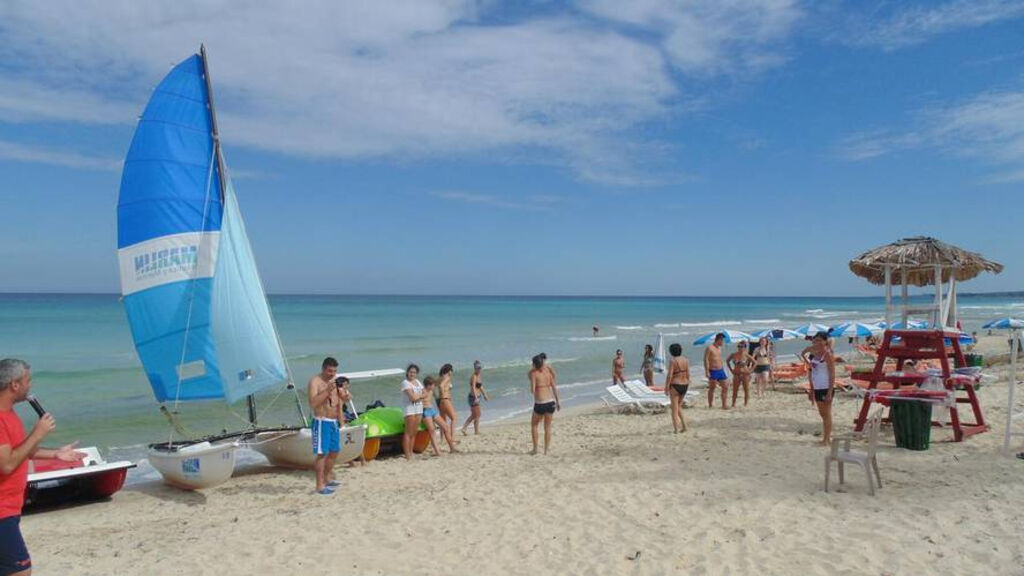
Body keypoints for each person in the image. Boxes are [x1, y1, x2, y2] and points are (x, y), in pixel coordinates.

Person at [0, 358, 86, 575]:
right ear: (15, 385)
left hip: (10, 506)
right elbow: (7, 465)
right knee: (21, 570)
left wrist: (56, 453)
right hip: (1, 510)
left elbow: (21, 451)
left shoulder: (9, 413)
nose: (31, 385)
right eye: (28, 380)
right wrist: (38, 432)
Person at [308, 357, 342, 494]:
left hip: (333, 422)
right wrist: (327, 391)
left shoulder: (334, 381)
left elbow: (337, 400)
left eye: (334, 371)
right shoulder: (315, 382)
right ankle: (319, 485)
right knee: (322, 454)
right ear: (323, 369)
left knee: (335, 451)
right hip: (321, 421)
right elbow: (313, 403)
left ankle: (327, 478)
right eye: (329, 371)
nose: (332, 374)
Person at [800, 332, 836, 446]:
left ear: (825, 341)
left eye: (820, 340)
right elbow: (808, 364)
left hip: (825, 387)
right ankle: (826, 438)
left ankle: (827, 439)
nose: (817, 343)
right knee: (822, 414)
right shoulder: (814, 354)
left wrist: (830, 392)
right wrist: (811, 389)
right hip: (817, 387)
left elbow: (832, 374)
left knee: (826, 414)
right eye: (815, 340)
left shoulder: (827, 355)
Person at [528, 354, 560, 455]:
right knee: (547, 427)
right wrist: (558, 402)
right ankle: (546, 450)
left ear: (534, 365)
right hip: (551, 402)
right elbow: (554, 387)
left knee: (534, 425)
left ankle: (535, 449)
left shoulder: (534, 374)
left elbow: (532, 390)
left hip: (540, 403)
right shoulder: (548, 373)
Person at [421, 377, 457, 455]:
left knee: (446, 427)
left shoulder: (432, 391)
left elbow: (436, 398)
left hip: (432, 410)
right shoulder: (422, 391)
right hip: (425, 411)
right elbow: (416, 402)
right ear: (428, 385)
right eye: (432, 385)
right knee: (432, 431)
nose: (434, 386)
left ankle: (452, 448)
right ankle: (437, 452)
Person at [400, 364, 427, 460]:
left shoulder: (418, 382)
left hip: (418, 408)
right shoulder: (405, 383)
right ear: (407, 372)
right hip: (409, 409)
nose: (412, 374)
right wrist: (420, 396)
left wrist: (418, 396)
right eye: (411, 372)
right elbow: (412, 397)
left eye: (414, 372)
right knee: (408, 432)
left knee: (414, 432)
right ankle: (407, 454)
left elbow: (425, 393)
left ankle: (411, 452)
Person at [664, 344, 690, 434]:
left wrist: (667, 386)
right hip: (685, 384)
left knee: (674, 408)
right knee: (679, 406)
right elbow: (688, 374)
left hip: (675, 384)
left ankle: (676, 429)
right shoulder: (686, 360)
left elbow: (670, 375)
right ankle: (685, 426)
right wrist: (688, 383)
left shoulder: (673, 361)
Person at [461, 361, 489, 435]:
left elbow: (480, 386)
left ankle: (468, 429)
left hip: (477, 397)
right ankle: (471, 430)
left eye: (480, 368)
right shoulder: (474, 376)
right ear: (474, 368)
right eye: (477, 368)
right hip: (473, 397)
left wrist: (484, 394)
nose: (479, 369)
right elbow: (473, 387)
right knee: (477, 414)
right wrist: (476, 398)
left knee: (475, 415)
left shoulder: (479, 375)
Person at [703, 333, 729, 409]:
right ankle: (710, 404)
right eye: (722, 341)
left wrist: (723, 367)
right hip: (713, 370)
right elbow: (706, 359)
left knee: (725, 387)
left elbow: (719, 359)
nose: (723, 342)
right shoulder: (710, 348)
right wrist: (707, 371)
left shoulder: (719, 348)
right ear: (718, 340)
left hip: (721, 370)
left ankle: (724, 405)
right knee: (712, 388)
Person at [727, 341, 754, 407]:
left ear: (745, 347)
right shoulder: (733, 355)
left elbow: (755, 362)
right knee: (735, 390)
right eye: (739, 346)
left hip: (745, 374)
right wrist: (731, 370)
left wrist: (750, 370)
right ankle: (733, 404)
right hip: (736, 374)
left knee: (746, 389)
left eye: (742, 346)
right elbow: (727, 361)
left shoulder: (746, 355)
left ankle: (745, 404)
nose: (740, 348)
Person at [437, 364, 458, 437]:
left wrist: (436, 396)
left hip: (440, 401)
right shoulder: (447, 377)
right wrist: (443, 393)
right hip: (445, 399)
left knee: (443, 421)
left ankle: (442, 439)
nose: (451, 372)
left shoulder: (440, 377)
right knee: (454, 418)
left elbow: (433, 385)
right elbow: (441, 386)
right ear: (449, 371)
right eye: (451, 371)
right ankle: (452, 437)